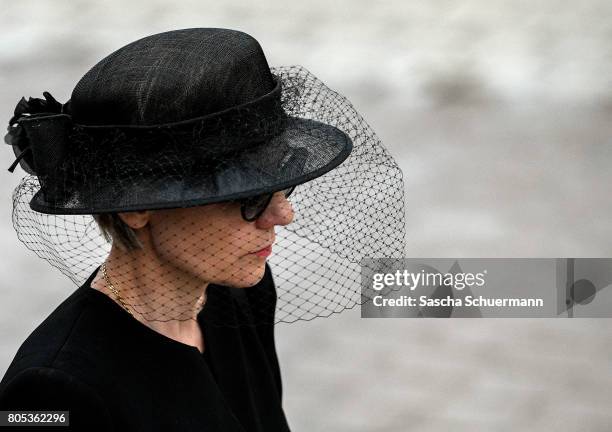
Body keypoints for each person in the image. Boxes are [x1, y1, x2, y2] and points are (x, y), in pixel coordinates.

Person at [0, 28, 406, 431]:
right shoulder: (51, 391)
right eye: (247, 198)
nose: (284, 215)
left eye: (282, 181)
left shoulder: (237, 295)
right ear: (137, 208)